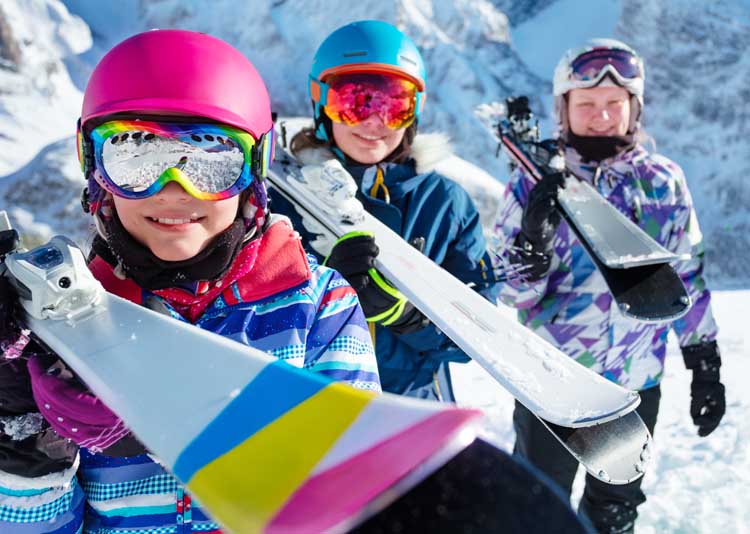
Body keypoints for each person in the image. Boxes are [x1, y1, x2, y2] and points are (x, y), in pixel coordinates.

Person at [0, 29, 379, 533]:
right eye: (136, 156)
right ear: (95, 170)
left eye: (210, 160)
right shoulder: (62, 326)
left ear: (254, 170)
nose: (174, 191)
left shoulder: (316, 307)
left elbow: (347, 504)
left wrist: (165, 426)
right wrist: (27, 442)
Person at [493, 38, 725, 533]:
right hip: (551, 381)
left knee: (614, 514)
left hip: (635, 384)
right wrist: (533, 240)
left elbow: (688, 278)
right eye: (587, 104)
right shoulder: (533, 181)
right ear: (564, 109)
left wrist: (705, 364)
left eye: (614, 104)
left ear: (633, 107)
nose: (601, 116)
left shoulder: (663, 181)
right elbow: (511, 294)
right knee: (537, 508)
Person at [270, 20, 496, 401]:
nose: (375, 123)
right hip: (309, 407)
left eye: (395, 106)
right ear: (322, 103)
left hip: (416, 409)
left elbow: (481, 340)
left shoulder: (444, 203)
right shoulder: (283, 198)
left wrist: (406, 317)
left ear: (414, 113)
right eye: (355, 103)